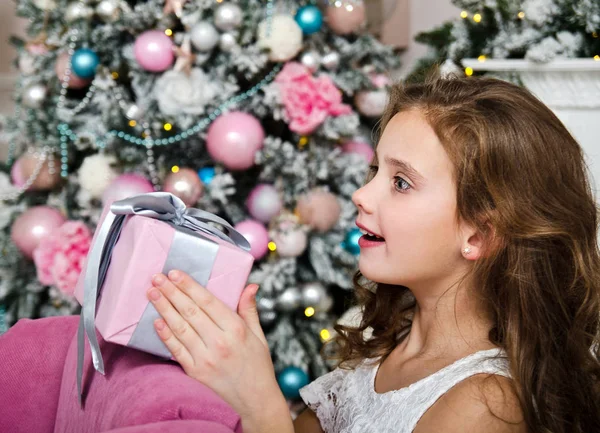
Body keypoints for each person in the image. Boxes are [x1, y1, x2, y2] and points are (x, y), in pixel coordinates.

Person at [144, 75, 600, 433]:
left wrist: (262, 405)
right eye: (376, 170)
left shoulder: (486, 405)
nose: (362, 194)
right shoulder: (385, 346)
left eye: (401, 183)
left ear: (479, 233)